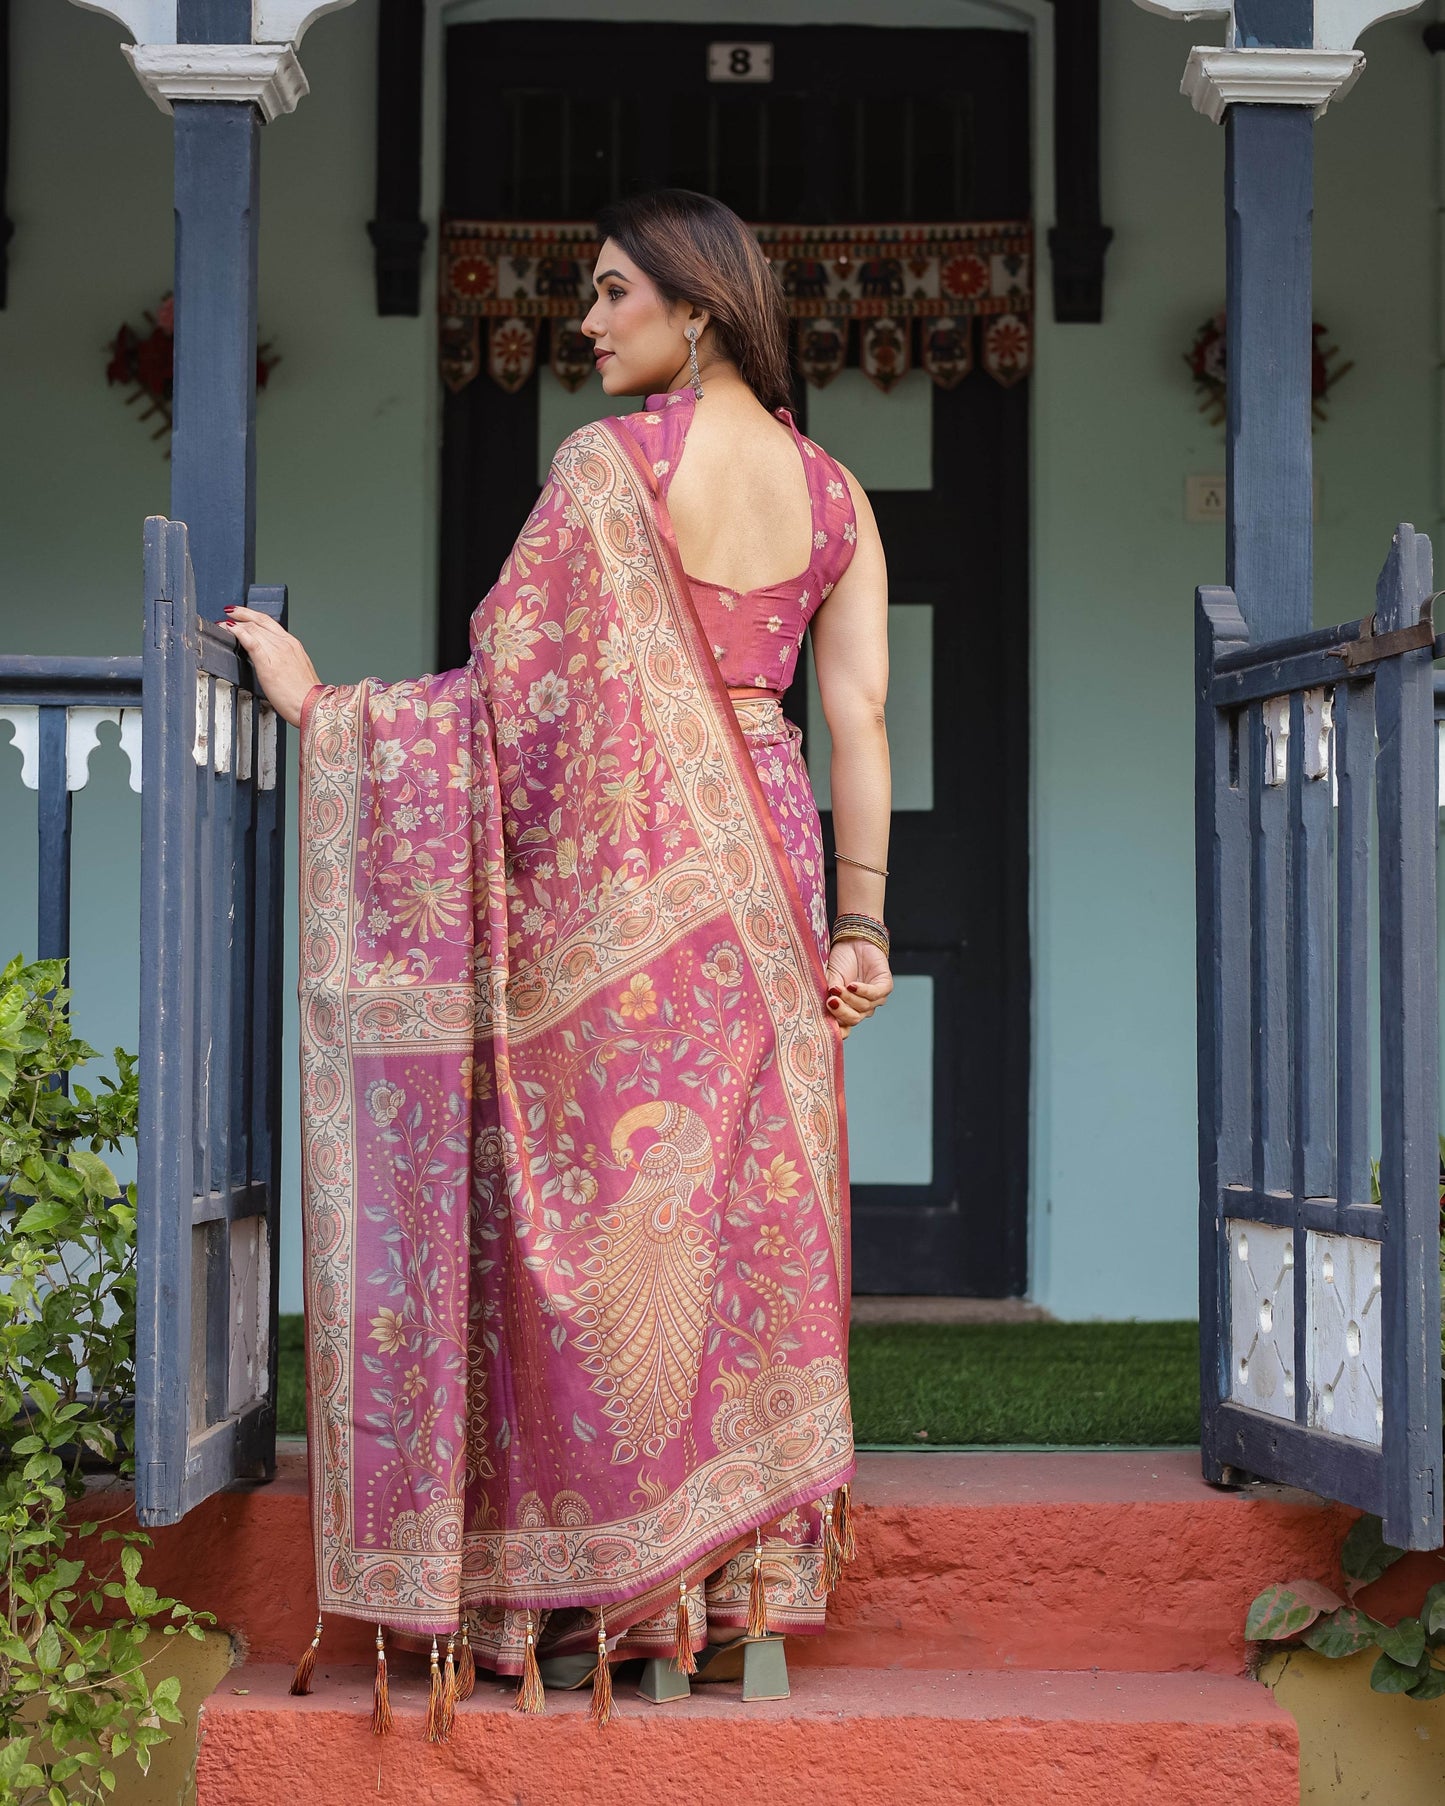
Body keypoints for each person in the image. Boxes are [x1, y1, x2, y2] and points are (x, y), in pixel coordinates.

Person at [222, 187, 893, 1733]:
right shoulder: (838, 494)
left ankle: (595, 1592)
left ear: (695, 310)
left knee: (585, 1217)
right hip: (769, 863)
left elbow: (502, 711)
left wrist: (331, 710)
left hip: (626, 877)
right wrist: (859, 922)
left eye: (607, 295)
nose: (585, 323)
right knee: (730, 1212)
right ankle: (723, 1601)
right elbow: (854, 721)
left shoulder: (608, 470)